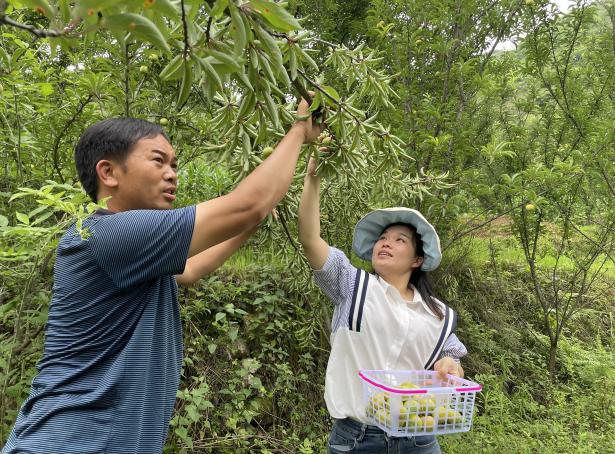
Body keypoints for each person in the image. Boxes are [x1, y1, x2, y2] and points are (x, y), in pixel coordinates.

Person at [1, 99, 322, 454]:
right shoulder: (108, 233)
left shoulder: (132, 248)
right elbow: (247, 203)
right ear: (108, 173)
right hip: (69, 442)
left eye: (174, 164)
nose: (172, 173)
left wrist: (250, 223)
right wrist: (298, 130)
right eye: (158, 160)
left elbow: (190, 269)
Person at [298, 157, 467, 453]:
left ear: (417, 260)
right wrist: (313, 177)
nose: (385, 243)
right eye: (383, 238)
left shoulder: (438, 313)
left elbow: (452, 359)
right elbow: (310, 240)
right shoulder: (353, 286)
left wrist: (451, 366)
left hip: (419, 437)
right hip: (357, 439)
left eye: (400, 240)